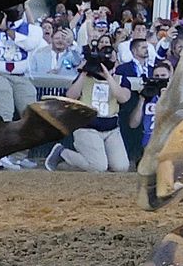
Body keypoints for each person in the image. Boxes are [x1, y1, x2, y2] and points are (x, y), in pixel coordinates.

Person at [48, 43, 133, 172]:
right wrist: (84, 71)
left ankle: (85, 161)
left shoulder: (121, 79)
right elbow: (71, 96)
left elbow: (123, 98)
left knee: (121, 167)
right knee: (98, 167)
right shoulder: (85, 77)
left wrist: (108, 76)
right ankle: (62, 152)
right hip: (86, 127)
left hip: (111, 129)